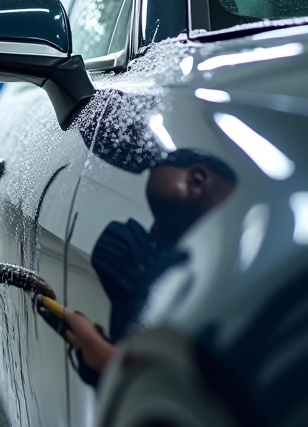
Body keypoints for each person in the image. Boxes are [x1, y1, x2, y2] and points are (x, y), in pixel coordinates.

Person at [39, 149, 237, 386]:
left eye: (159, 163)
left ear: (195, 180)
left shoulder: (212, 280)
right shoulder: (131, 247)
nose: (149, 170)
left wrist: (106, 359)